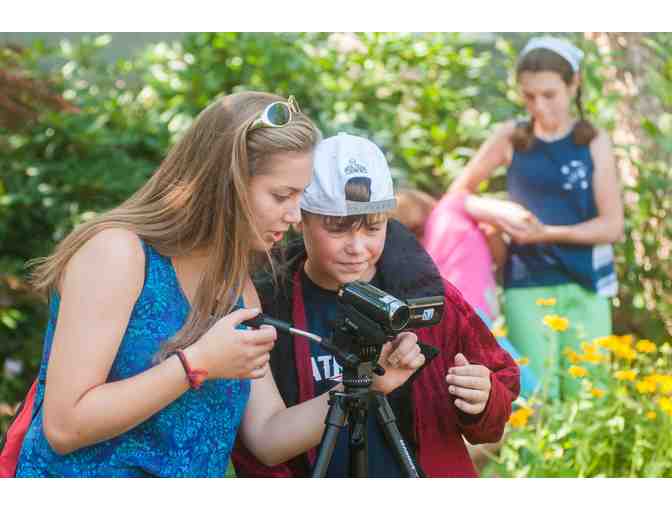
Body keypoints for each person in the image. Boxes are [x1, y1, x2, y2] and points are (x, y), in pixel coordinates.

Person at [14, 92, 423, 477]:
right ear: (226, 182)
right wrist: (197, 363)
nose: (296, 216)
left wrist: (367, 383)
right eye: (281, 195)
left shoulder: (237, 288)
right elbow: (64, 425)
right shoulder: (118, 254)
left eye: (300, 196)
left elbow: (268, 436)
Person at [232, 133, 520, 477]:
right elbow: (256, 445)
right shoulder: (267, 305)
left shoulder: (428, 296)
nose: (356, 247)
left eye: (372, 228)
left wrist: (483, 399)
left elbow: (498, 395)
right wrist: (363, 383)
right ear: (301, 217)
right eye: (337, 229)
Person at [449, 36, 624, 399]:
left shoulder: (593, 141)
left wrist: (544, 233)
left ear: (573, 84)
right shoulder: (511, 136)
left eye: (549, 95)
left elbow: (612, 226)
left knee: (589, 397)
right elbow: (458, 196)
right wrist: (496, 209)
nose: (539, 106)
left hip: (586, 283)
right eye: (529, 96)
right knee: (535, 397)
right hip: (526, 284)